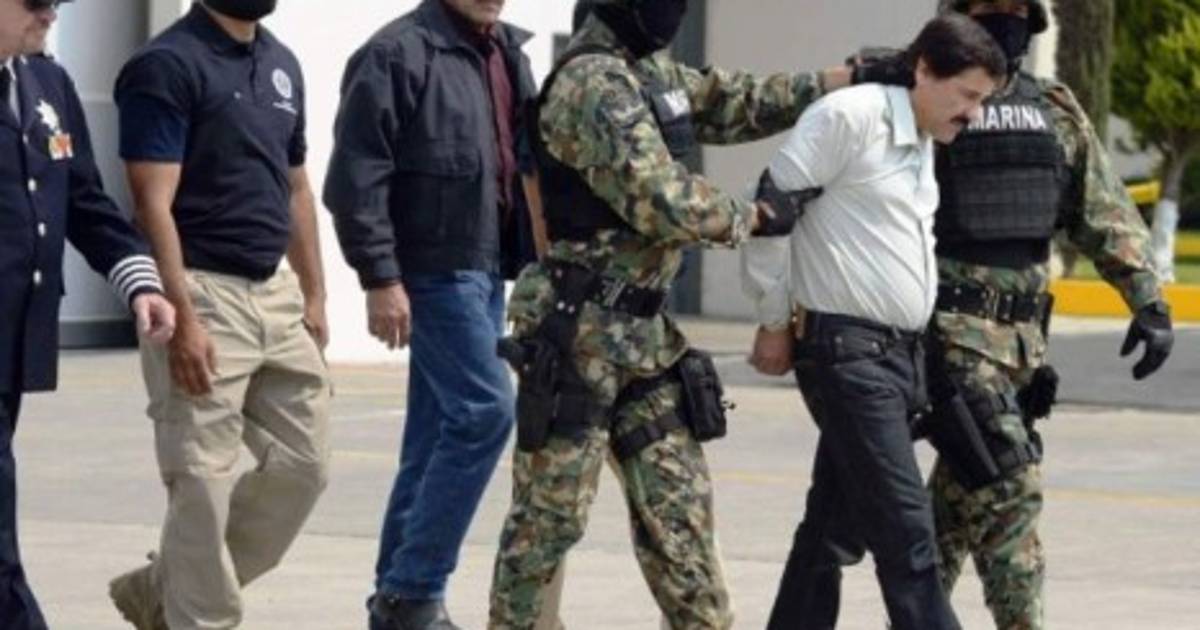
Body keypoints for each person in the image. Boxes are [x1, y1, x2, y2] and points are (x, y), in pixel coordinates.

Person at [484, 0, 867, 626]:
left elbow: (731, 100)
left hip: (645, 341)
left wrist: (837, 80)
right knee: (548, 523)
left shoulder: (649, 71)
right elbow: (662, 200)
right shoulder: (592, 82)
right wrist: (755, 217)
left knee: (681, 521)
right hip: (579, 338)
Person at [742, 14, 1008, 630]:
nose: (974, 114)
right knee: (906, 531)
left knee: (832, 529)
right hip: (847, 353)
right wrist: (773, 318)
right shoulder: (850, 118)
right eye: (967, 95)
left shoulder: (921, 137)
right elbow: (771, 215)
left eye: (983, 100)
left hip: (897, 357)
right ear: (924, 70)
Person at [916, 2, 1174, 628]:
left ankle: (913, 615)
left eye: (1016, 10)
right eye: (991, 9)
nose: (1005, 21)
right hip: (951, 344)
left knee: (948, 518)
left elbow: (1101, 207)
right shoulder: (919, 97)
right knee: (1010, 492)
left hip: (1020, 354)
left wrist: (1148, 299)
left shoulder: (1052, 107)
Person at [107, 1, 332, 628]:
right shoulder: (166, 65)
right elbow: (152, 204)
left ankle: (164, 590)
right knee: (201, 480)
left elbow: (296, 186)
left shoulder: (281, 63)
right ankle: (202, 618)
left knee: (306, 466)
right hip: (201, 292)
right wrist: (184, 317)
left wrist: (314, 293)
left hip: (275, 295)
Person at [322, 0, 538, 627]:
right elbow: (356, 177)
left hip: (486, 266)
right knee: (484, 412)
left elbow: (527, 166)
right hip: (433, 269)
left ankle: (395, 604)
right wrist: (380, 276)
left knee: (433, 435)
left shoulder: (507, 52)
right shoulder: (396, 54)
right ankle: (414, 591)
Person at [0, 0, 175, 628]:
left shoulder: (46, 82)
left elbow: (83, 200)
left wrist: (139, 284)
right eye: (35, 0)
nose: (51, 13)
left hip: (14, 340)